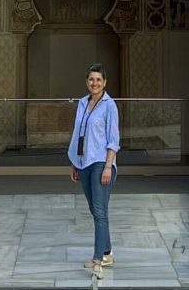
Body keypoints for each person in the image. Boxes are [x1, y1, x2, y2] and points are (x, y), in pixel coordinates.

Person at [68, 63, 120, 280]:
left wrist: (108, 166)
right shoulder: (82, 103)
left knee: (99, 211)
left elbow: (113, 139)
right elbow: (77, 133)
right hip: (84, 163)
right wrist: (74, 162)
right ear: (87, 82)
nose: (95, 83)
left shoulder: (110, 106)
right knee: (95, 209)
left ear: (105, 83)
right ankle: (107, 253)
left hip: (101, 163)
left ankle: (98, 260)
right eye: (91, 79)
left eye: (99, 80)